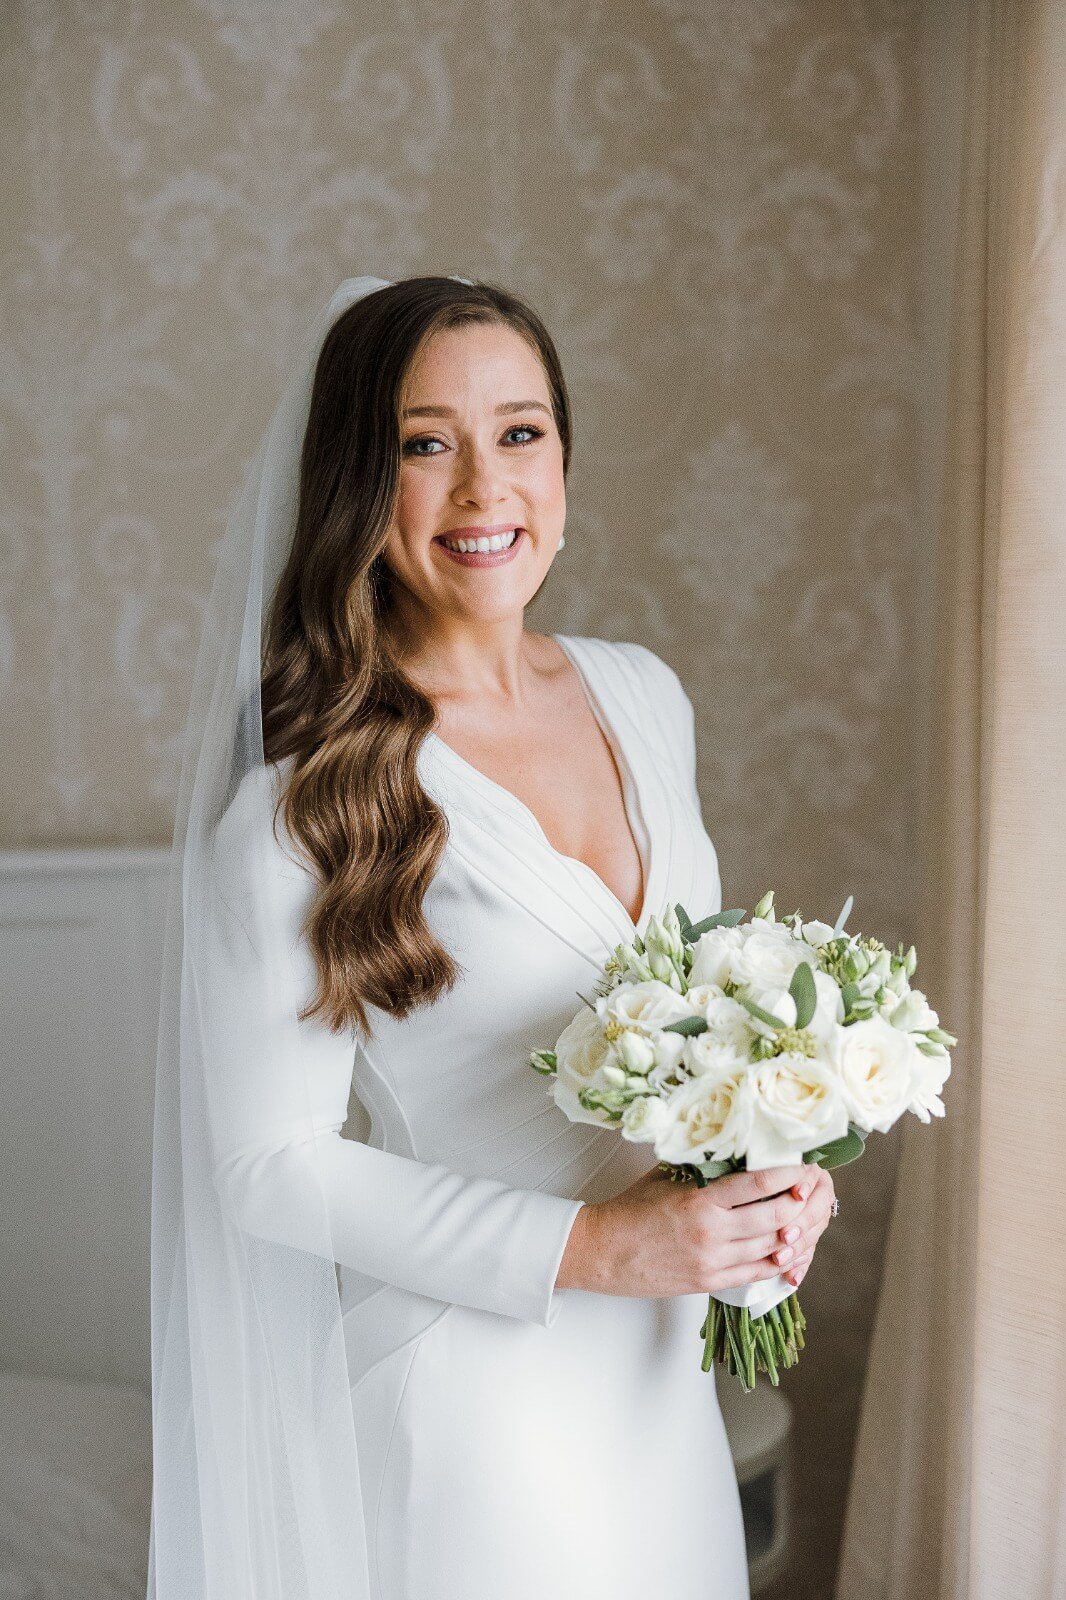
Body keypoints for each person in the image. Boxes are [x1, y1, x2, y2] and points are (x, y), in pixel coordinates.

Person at [148, 274, 836, 1600]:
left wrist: (761, 1173)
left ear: (564, 455)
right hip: (474, 1414)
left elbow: (701, 1017)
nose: (483, 487)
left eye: (518, 432)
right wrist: (598, 1249)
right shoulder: (298, 806)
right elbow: (268, 1168)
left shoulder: (642, 695)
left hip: (656, 1385)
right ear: (358, 478)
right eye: (425, 444)